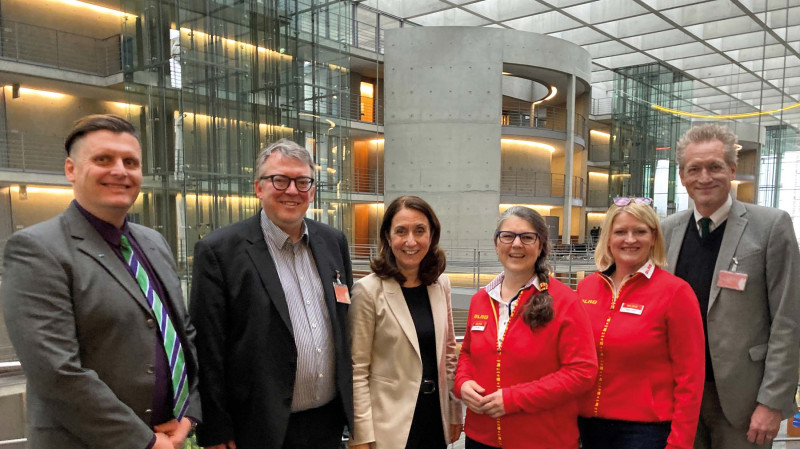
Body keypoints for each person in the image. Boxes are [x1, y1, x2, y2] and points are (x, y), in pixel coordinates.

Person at [0, 114, 200, 449]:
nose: (120, 171)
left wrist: (189, 414)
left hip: (169, 435)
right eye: (103, 159)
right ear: (71, 169)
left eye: (130, 162)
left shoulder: (153, 242)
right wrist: (145, 442)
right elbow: (57, 372)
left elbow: (182, 335)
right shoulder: (37, 249)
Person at [190, 138, 353, 449]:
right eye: (280, 180)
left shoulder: (333, 242)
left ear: (312, 191)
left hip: (328, 425)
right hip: (257, 429)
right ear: (259, 188)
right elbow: (207, 349)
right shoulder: (219, 251)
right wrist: (215, 429)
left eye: (302, 182)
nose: (292, 190)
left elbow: (344, 328)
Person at [662, 123, 800, 449]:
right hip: (679, 395)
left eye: (715, 167)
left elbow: (788, 320)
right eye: (694, 169)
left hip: (744, 402)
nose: (704, 177)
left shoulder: (771, 226)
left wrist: (772, 402)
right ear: (682, 176)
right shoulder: (667, 230)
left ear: (732, 170)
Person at [454, 206, 598, 449]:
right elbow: (467, 353)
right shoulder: (481, 300)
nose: (516, 244)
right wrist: (463, 383)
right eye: (507, 236)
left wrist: (514, 399)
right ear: (496, 243)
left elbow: (582, 372)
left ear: (540, 246)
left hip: (542, 440)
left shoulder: (565, 301)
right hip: (480, 437)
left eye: (527, 237)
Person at [577, 198, 705, 449]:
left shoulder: (675, 292)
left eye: (640, 231)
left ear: (653, 237)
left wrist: (680, 443)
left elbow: (691, 377)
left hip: (646, 431)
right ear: (608, 238)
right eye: (620, 232)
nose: (630, 239)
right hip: (588, 426)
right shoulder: (586, 287)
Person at [349, 196, 462, 449]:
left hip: (435, 419)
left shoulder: (440, 284)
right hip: (389, 427)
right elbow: (357, 370)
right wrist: (361, 437)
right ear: (388, 238)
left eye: (419, 230)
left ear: (432, 235)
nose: (411, 241)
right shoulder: (368, 291)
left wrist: (454, 412)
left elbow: (449, 355)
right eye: (401, 231)